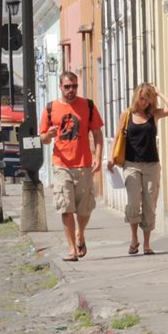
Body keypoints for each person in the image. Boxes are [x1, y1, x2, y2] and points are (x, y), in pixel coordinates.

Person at [39, 71, 104, 262]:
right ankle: (71, 250)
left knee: (84, 210)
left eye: (74, 86)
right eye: (67, 86)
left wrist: (98, 156)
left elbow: (98, 134)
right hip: (61, 165)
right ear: (60, 87)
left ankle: (80, 233)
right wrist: (48, 136)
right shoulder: (51, 108)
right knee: (65, 207)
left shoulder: (88, 106)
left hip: (83, 164)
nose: (71, 90)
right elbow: (42, 138)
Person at [107, 83, 168, 255]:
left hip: (152, 164)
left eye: (147, 99)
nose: (144, 102)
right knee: (133, 203)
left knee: (149, 205)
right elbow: (117, 137)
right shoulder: (127, 114)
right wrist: (111, 158)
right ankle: (133, 238)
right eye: (142, 98)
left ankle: (146, 244)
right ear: (136, 97)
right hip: (131, 164)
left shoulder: (153, 114)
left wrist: (159, 92)